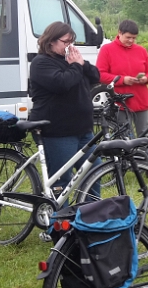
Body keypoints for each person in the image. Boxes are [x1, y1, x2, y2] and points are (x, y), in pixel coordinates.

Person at [29, 21, 101, 200]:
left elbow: (96, 76)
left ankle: (89, 218)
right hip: (58, 132)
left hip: (83, 130)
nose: (70, 46)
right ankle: (60, 225)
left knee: (94, 173)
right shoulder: (41, 63)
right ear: (51, 41)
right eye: (66, 42)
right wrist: (76, 66)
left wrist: (82, 64)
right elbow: (62, 83)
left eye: (72, 42)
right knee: (63, 180)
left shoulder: (71, 60)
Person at [96, 20, 148, 137]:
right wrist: (122, 80)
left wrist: (146, 78)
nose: (131, 41)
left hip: (140, 100)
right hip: (120, 102)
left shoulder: (141, 50)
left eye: (134, 38)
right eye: (128, 37)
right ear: (119, 33)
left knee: (144, 136)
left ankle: (146, 156)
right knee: (125, 137)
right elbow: (100, 74)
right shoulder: (107, 50)